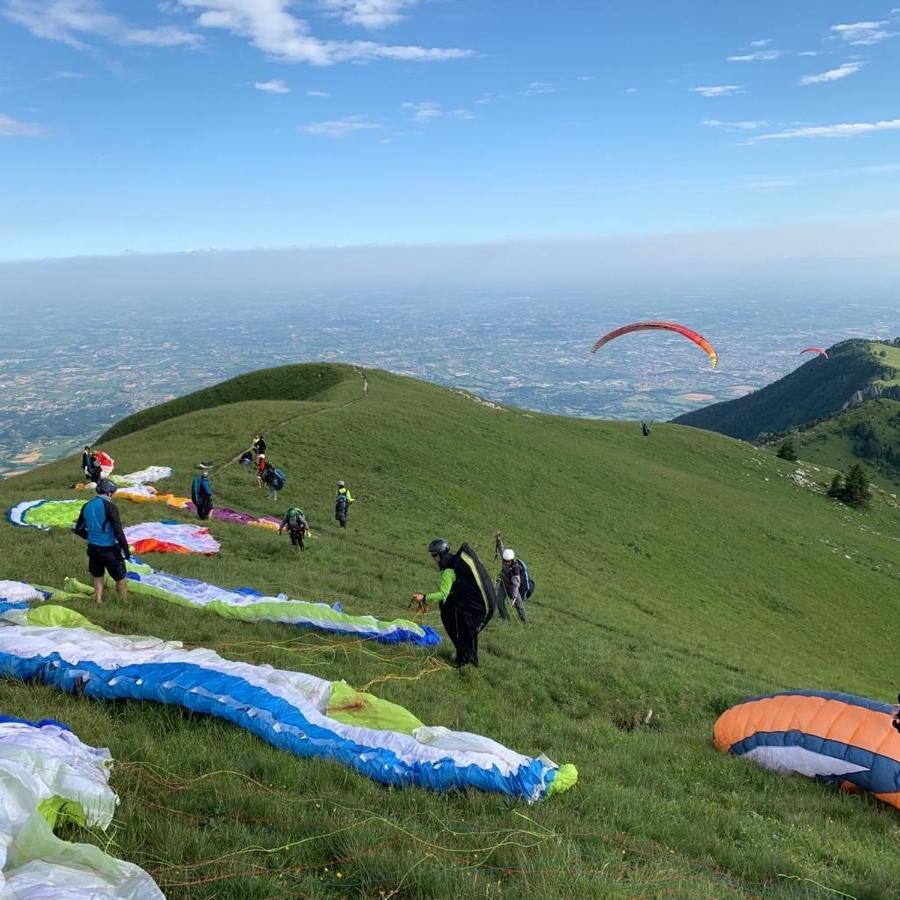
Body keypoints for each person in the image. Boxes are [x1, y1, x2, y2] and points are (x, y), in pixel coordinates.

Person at [411, 538, 495, 668]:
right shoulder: (453, 562)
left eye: (434, 555)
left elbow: (443, 594)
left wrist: (424, 598)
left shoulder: (448, 571)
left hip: (475, 608)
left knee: (463, 631)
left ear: (441, 554)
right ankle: (467, 661)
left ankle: (463, 663)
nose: (433, 558)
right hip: (476, 605)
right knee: (467, 632)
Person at [74, 479, 130, 604]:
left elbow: (78, 529)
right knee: (120, 577)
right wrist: (125, 550)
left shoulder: (87, 505)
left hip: (93, 548)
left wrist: (91, 537)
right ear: (109, 493)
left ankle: (98, 600)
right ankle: (124, 601)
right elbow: (118, 532)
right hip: (109, 548)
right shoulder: (110, 507)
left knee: (97, 574)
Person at [494, 532, 527, 623]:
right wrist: (498, 539)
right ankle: (505, 618)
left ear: (512, 560)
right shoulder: (504, 560)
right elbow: (501, 549)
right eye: (505, 561)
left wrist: (514, 597)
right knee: (499, 602)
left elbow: (516, 584)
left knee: (518, 606)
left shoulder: (516, 569)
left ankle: (524, 621)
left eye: (508, 561)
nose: (506, 563)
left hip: (513, 588)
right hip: (503, 584)